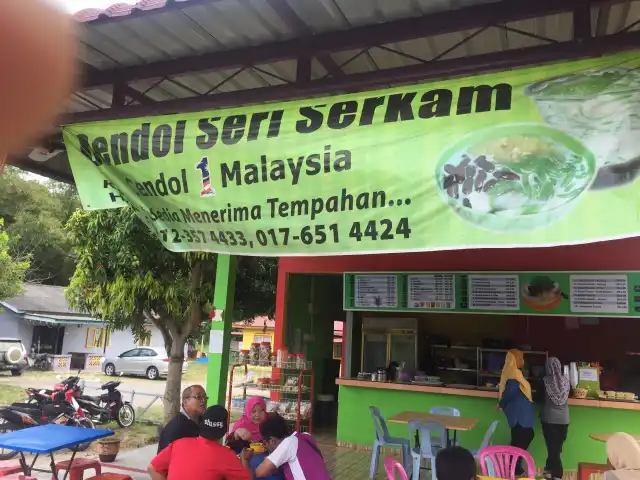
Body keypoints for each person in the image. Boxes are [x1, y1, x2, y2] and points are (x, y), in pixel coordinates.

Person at [148, 405, 250, 480]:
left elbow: (152, 468)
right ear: (224, 430)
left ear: (201, 423)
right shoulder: (226, 455)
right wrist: (244, 460)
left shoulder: (179, 443)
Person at [243, 412, 331, 480]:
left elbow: (260, 472)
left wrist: (245, 460)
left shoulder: (288, 443)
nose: (265, 446)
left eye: (265, 443)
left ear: (272, 441)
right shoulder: (306, 436)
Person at [498, 349, 535, 475]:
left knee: (518, 439)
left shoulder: (512, 372)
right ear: (515, 359)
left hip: (519, 412)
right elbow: (511, 391)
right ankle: (514, 466)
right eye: (520, 358)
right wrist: (501, 404)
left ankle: (513, 466)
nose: (523, 361)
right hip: (520, 413)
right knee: (525, 436)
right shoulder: (513, 373)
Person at [540, 357, 570, 480]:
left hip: (549, 419)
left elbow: (538, 398)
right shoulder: (566, 382)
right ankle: (549, 469)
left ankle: (557, 474)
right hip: (564, 419)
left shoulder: (545, 381)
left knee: (553, 447)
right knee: (556, 447)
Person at [157, 384, 207, 453]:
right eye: (198, 397)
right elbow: (163, 460)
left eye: (205, 397)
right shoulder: (174, 428)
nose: (203, 400)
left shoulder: (206, 422)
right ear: (185, 402)